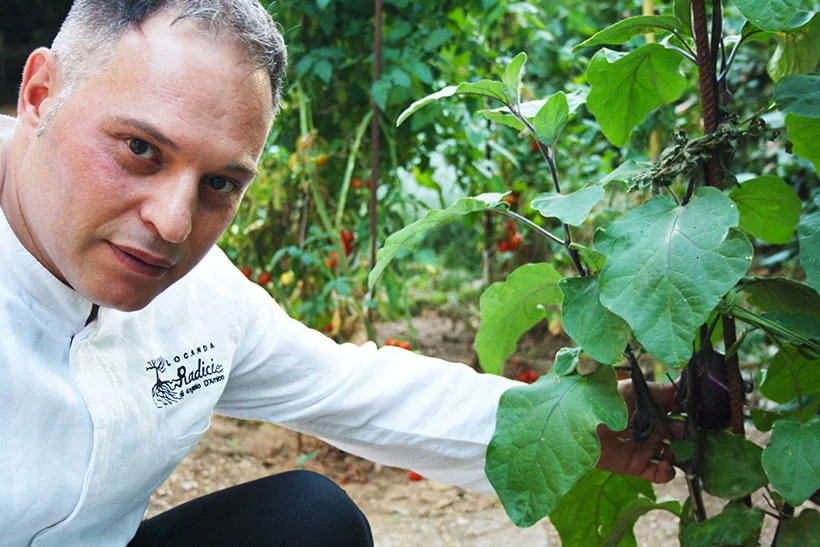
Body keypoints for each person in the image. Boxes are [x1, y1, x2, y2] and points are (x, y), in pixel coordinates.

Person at [0, 1, 678, 545]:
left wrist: (569, 425)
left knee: (307, 519)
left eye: (220, 184)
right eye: (142, 149)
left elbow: (363, 392)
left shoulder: (203, 301)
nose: (174, 223)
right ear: (40, 93)